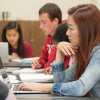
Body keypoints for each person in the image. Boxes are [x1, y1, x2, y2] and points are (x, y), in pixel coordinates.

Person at [19, 4, 100, 97]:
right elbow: (61, 81)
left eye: (71, 28)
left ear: (85, 30)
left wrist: (45, 87)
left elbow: (80, 88)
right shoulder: (87, 51)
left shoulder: (98, 53)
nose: (67, 33)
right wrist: (59, 52)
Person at [31, 3, 62, 70]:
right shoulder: (49, 36)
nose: (40, 26)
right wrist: (39, 63)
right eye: (40, 23)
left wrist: (45, 65)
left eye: (44, 23)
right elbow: (44, 58)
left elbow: (50, 64)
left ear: (55, 21)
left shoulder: (64, 36)